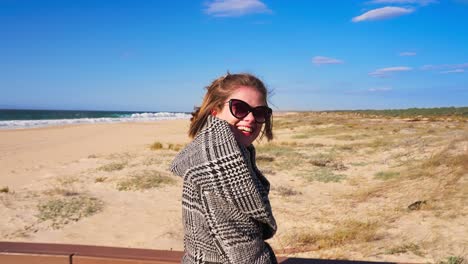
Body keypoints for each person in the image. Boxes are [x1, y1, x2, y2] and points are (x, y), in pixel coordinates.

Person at [170, 73, 277, 263]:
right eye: (240, 108)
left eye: (260, 112)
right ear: (215, 111)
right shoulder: (217, 165)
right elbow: (244, 254)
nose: (251, 118)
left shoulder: (231, 153)